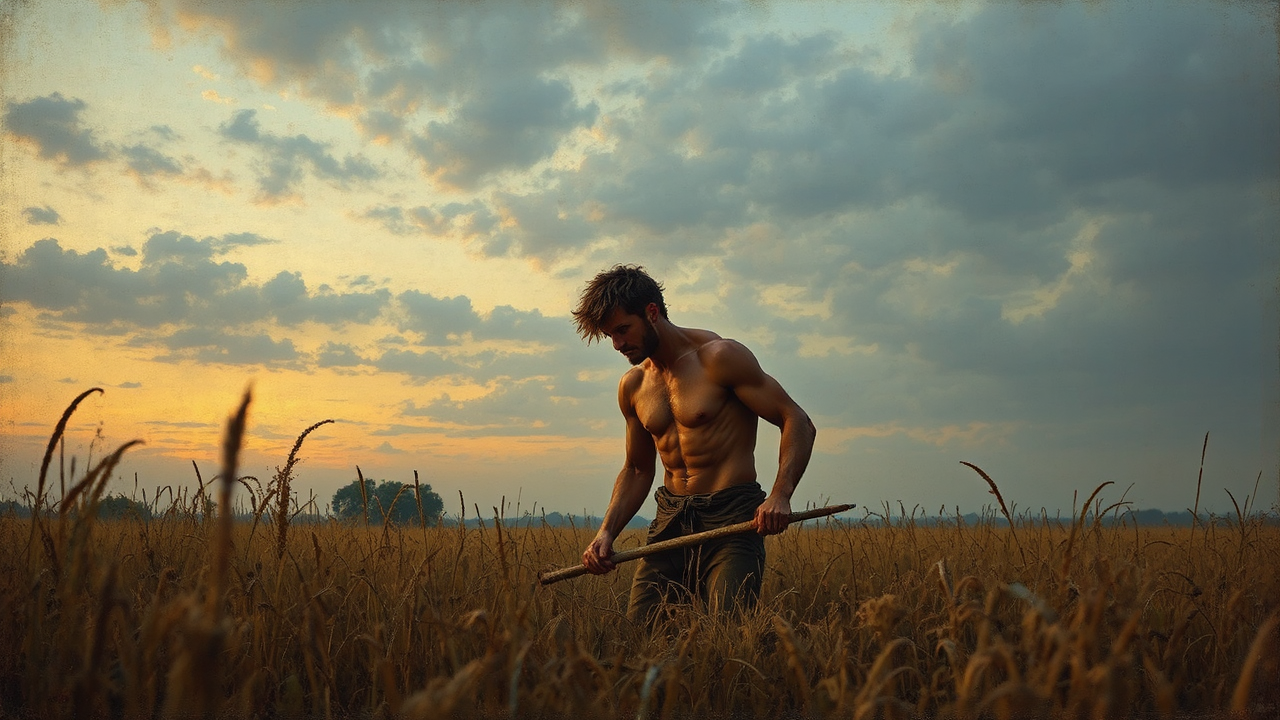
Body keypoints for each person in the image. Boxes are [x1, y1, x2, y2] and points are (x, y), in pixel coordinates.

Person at [571, 264, 816, 625]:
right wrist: (606, 533)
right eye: (611, 336)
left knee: (726, 632)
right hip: (671, 519)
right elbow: (638, 469)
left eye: (623, 330)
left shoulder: (718, 358)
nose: (618, 344)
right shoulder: (633, 386)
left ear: (652, 312)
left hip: (731, 516)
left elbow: (797, 420)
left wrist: (780, 493)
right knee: (642, 633)